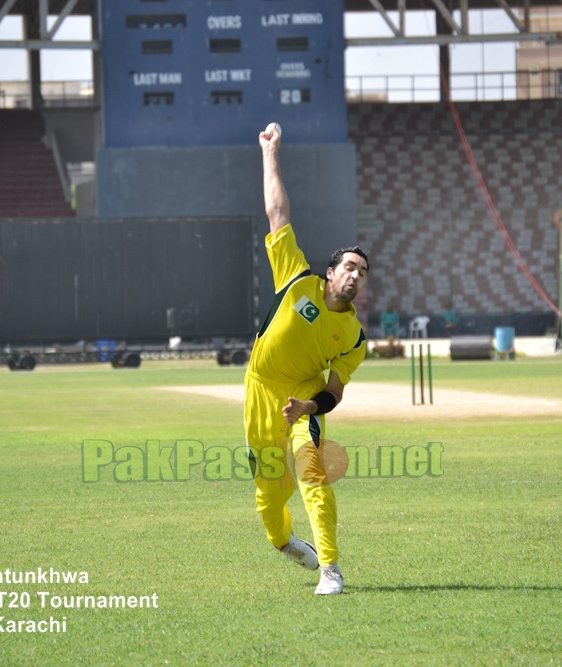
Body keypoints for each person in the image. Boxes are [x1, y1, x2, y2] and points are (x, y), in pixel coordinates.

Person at [244, 122, 369, 595]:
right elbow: (277, 210)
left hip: (302, 402)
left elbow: (334, 391)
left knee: (313, 475)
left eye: (363, 272)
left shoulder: (354, 337)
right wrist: (269, 153)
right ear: (331, 271)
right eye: (349, 267)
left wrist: (307, 409)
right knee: (269, 498)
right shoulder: (296, 278)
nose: (356, 276)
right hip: (259, 391)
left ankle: (331, 569)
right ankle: (284, 544)